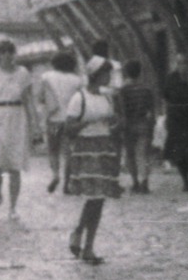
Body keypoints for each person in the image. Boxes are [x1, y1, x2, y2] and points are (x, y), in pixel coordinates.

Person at [63, 56, 124, 265]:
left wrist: (113, 125)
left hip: (104, 148)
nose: (109, 77)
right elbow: (69, 127)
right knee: (93, 197)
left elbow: (113, 123)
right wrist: (87, 122)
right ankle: (81, 236)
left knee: (99, 199)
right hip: (86, 149)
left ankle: (87, 243)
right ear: (96, 75)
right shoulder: (79, 98)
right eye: (106, 73)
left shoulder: (107, 98)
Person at [0, 38, 37, 218]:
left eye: (10, 52)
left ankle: (13, 207)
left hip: (17, 117)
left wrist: (35, 124)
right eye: (3, 52)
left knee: (15, 166)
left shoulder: (23, 73)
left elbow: (28, 100)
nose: (7, 56)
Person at [35, 49, 83, 194]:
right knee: (69, 151)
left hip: (53, 120)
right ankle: (67, 184)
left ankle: (55, 174)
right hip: (70, 120)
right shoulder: (77, 80)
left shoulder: (46, 77)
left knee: (53, 150)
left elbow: (40, 97)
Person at [162, 53, 188, 192]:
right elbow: (166, 99)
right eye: (180, 63)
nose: (182, 66)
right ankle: (185, 180)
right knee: (179, 151)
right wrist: (166, 118)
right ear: (176, 64)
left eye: (185, 63)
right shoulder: (170, 79)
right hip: (176, 118)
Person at [116, 60, 157, 194]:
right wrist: (152, 124)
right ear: (140, 72)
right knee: (143, 154)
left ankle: (135, 182)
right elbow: (152, 109)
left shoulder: (122, 89)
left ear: (126, 72)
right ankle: (145, 182)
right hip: (143, 123)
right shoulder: (146, 89)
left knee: (130, 155)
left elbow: (121, 109)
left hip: (128, 124)